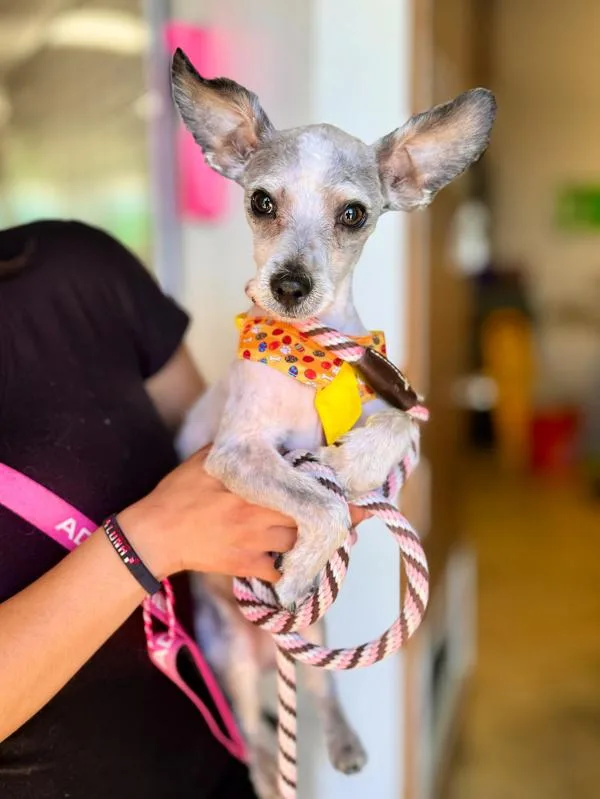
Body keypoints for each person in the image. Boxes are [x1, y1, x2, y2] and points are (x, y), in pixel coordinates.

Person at [0, 219, 304, 799]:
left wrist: (237, 581)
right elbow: (173, 521)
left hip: (213, 766)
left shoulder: (82, 269)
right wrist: (148, 542)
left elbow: (217, 456)